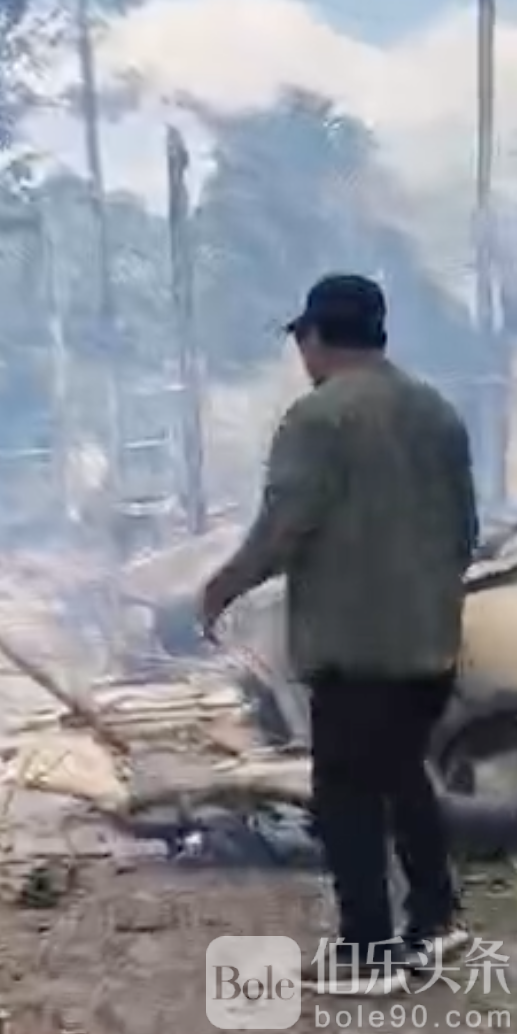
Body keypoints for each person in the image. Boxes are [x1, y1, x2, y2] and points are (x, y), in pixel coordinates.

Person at [197, 274, 477, 991]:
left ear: (315, 337)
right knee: (404, 772)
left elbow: (284, 527)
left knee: (347, 793)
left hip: (357, 652)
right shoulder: (438, 412)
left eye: (302, 339)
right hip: (431, 643)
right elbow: (465, 533)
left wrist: (220, 588)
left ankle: (368, 953)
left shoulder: (318, 418)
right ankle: (435, 920)